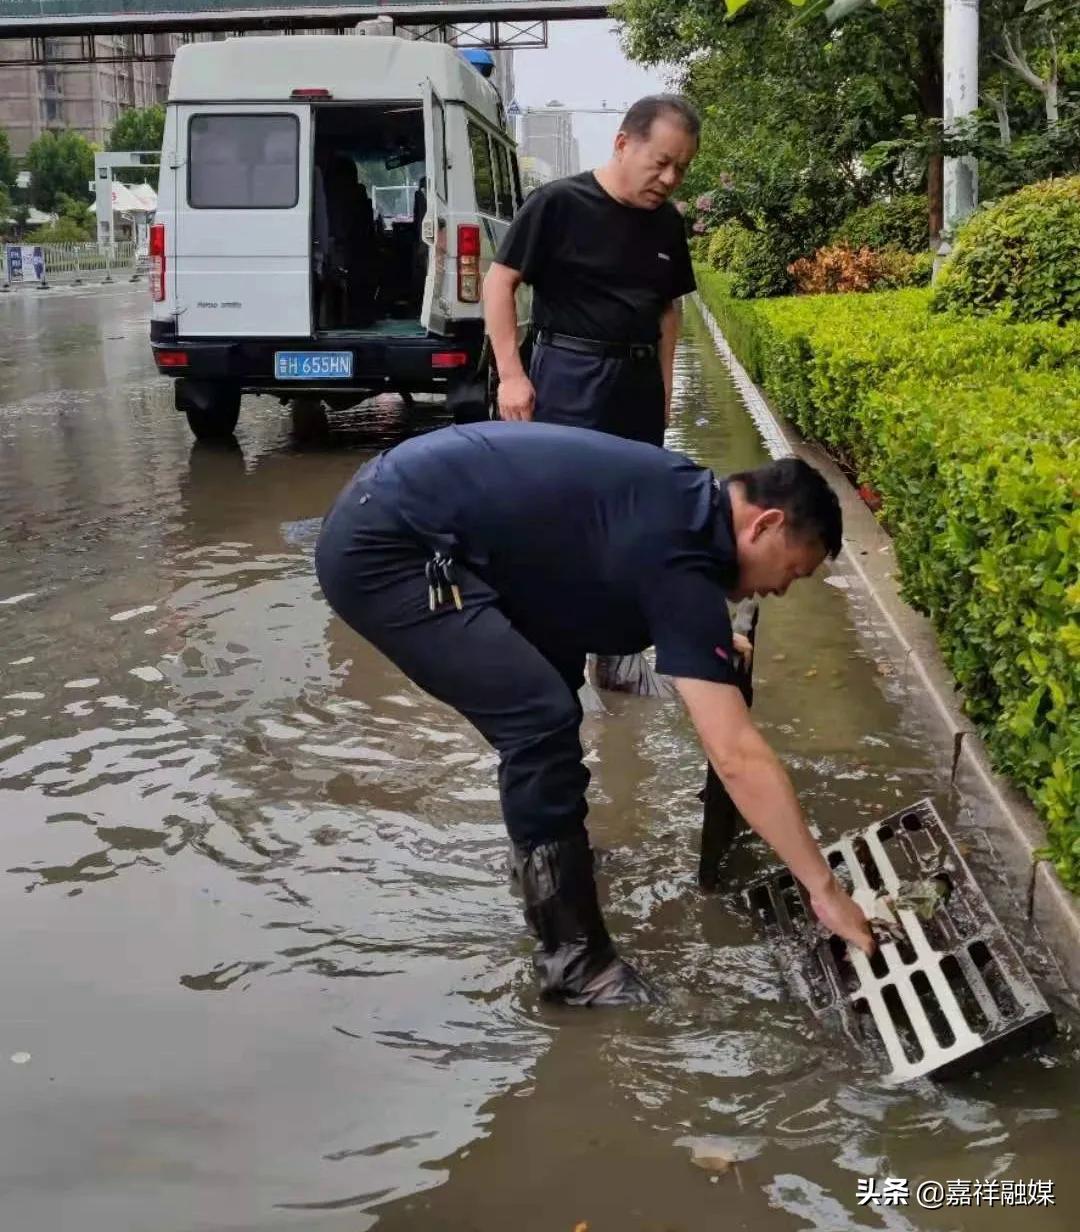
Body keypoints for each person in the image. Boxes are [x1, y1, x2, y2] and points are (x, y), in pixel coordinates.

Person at [315, 423, 874, 1008]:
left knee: (551, 675)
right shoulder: (683, 557)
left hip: (411, 507)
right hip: (388, 548)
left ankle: (548, 862)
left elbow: (615, 573)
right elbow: (735, 755)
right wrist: (825, 890)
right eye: (792, 571)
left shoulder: (686, 501)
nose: (781, 590)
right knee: (541, 720)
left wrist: (698, 643)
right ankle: (576, 965)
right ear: (765, 525)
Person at [483, 95, 699, 447]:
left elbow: (666, 309)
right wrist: (510, 376)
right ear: (622, 144)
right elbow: (498, 283)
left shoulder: (668, 222)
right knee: (566, 489)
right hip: (569, 375)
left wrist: (665, 389)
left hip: (640, 383)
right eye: (661, 162)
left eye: (681, 168)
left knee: (635, 489)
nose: (669, 178)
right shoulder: (557, 204)